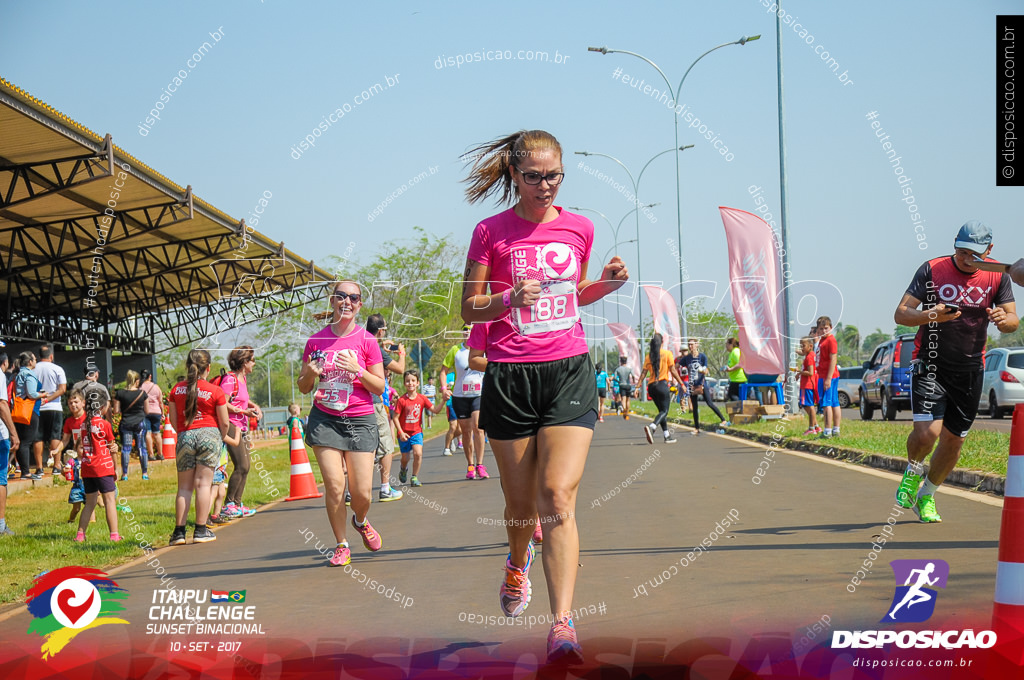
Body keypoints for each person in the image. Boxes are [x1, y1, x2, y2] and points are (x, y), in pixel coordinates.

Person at [460, 129, 628, 664]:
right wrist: (507, 298)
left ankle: (562, 624)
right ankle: (516, 561)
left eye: (553, 175)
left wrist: (604, 284)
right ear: (514, 175)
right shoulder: (490, 231)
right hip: (510, 376)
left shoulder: (580, 228)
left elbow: (571, 296)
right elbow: (470, 310)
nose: (545, 185)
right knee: (519, 503)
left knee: (557, 497)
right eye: (533, 176)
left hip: (569, 370)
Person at [893, 220, 1018, 523]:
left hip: (971, 367)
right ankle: (912, 471)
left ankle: (927, 495)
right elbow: (901, 313)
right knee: (927, 433)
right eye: (962, 252)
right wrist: (930, 314)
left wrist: (1004, 320)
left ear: (989, 250)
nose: (967, 259)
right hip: (931, 363)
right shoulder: (932, 269)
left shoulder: (996, 276)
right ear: (954, 245)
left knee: (954, 440)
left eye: (974, 254)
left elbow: (1013, 318)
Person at [298, 280, 388, 567]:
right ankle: (341, 544)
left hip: (360, 420)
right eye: (341, 296)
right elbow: (303, 387)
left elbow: (379, 387)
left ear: (359, 304)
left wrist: (357, 370)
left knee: (362, 492)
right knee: (335, 486)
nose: (346, 301)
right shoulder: (316, 341)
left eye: (353, 297)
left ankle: (360, 521)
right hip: (325, 419)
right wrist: (310, 374)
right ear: (332, 301)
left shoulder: (367, 340)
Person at [168, 349, 233, 545]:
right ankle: (200, 530)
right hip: (209, 435)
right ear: (208, 368)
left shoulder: (176, 390)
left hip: (185, 435)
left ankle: (179, 533)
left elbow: (173, 420)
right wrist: (218, 438)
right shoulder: (216, 391)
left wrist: (184, 432)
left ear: (188, 366)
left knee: (184, 488)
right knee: (203, 484)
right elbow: (225, 423)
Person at [218, 346, 263, 519]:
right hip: (231, 425)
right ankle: (229, 504)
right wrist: (243, 412)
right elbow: (223, 402)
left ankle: (237, 503)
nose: (254, 363)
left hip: (241, 426)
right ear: (244, 362)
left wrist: (253, 405)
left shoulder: (242, 379)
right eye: (252, 360)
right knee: (241, 465)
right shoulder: (229, 380)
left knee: (246, 467)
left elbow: (241, 398)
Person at [364, 314, 405, 502]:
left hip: (357, 403)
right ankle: (385, 488)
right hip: (373, 400)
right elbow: (399, 369)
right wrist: (401, 353)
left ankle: (351, 492)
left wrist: (382, 346)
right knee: (386, 446)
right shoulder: (375, 347)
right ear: (380, 331)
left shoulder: (360, 341)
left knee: (360, 447)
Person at [441, 325, 488, 480]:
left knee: (478, 427)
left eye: (471, 328)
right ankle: (470, 465)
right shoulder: (455, 350)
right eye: (465, 329)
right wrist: (443, 388)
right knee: (466, 431)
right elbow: (443, 370)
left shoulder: (483, 349)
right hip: (460, 396)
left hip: (478, 394)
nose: (468, 331)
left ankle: (480, 464)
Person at [74, 384, 120, 543]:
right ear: (102, 406)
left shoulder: (83, 425)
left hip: (87, 468)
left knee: (90, 502)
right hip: (103, 467)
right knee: (109, 501)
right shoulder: (105, 425)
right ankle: (114, 535)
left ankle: (80, 534)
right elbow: (112, 447)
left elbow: (82, 446)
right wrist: (116, 467)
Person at [393, 370, 449, 486]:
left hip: (416, 432)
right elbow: (395, 418)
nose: (410, 383)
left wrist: (443, 401)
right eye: (407, 381)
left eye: (413, 381)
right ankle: (403, 469)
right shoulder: (402, 400)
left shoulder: (422, 398)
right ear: (404, 383)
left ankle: (414, 477)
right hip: (404, 434)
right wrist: (401, 432)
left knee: (418, 453)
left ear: (418, 383)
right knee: (405, 458)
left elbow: (435, 410)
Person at [637, 333, 684, 445]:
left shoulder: (649, 356)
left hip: (651, 387)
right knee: (664, 411)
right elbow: (673, 370)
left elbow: (644, 372)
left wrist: (637, 386)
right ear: (662, 342)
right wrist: (681, 384)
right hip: (662, 385)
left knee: (661, 411)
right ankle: (652, 427)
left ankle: (667, 435)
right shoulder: (667, 354)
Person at [680, 339, 729, 435]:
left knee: (709, 403)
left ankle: (723, 420)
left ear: (697, 345)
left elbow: (706, 370)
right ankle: (696, 428)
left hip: (702, 384)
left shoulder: (702, 357)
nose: (690, 347)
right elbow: (677, 364)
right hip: (692, 385)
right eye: (689, 345)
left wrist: (702, 370)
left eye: (692, 344)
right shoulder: (687, 358)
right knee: (694, 407)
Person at [13, 352, 47, 480]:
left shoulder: (17, 374)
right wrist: (43, 395)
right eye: (34, 358)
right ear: (30, 362)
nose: (36, 360)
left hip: (20, 410)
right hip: (30, 411)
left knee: (22, 441)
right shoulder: (28, 374)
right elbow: (32, 393)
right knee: (26, 442)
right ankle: (26, 472)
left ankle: (23, 470)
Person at [35, 344, 67, 475]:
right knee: (55, 435)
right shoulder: (58, 369)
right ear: (51, 356)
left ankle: (39, 467)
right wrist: (48, 399)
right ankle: (56, 465)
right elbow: (62, 389)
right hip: (54, 407)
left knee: (38, 437)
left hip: (37, 407)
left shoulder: (33, 369)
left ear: (38, 356)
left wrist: (40, 399)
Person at [113, 370, 149, 480]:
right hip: (140, 423)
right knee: (141, 447)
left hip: (126, 423)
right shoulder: (142, 394)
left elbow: (116, 411)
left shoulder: (119, 393)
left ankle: (124, 474)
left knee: (126, 448)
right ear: (137, 381)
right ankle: (144, 473)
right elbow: (147, 411)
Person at [59, 390, 89, 523]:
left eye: (76, 402)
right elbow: (65, 440)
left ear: (83, 403)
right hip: (78, 453)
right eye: (70, 403)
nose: (73, 405)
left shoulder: (89, 419)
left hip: (90, 453)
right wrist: (56, 450)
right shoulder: (69, 421)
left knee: (92, 488)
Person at [815, 317, 841, 438]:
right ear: (818, 330)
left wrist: (828, 378)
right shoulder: (822, 341)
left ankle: (828, 430)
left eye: (826, 328)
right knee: (834, 402)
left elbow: (833, 359)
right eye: (821, 328)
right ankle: (835, 430)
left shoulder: (831, 340)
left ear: (831, 328)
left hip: (828, 376)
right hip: (824, 375)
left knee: (827, 403)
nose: (824, 330)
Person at [0, 353, 18, 536]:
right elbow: (2, 405)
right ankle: (0, 525)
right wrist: (13, 433)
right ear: (5, 363)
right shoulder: (0, 375)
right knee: (0, 479)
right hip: (0, 435)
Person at [793, 337, 820, 435]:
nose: (802, 348)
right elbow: (801, 353)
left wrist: (798, 372)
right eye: (801, 346)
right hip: (808, 384)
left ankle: (811, 428)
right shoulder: (810, 354)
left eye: (803, 346)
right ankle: (816, 426)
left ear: (810, 346)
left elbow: (810, 372)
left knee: (809, 406)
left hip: (807, 385)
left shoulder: (809, 357)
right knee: (806, 405)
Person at [140, 369, 164, 463]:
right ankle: (160, 454)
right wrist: (162, 412)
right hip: (156, 412)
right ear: (150, 376)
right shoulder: (156, 387)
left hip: (145, 412)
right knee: (157, 433)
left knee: (148, 433)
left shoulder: (140, 387)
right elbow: (160, 401)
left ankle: (151, 455)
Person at [442, 371, 459, 456]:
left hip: (462, 403)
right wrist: (447, 387)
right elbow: (441, 389)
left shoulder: (466, 372)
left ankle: (451, 438)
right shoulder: (449, 376)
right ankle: (447, 448)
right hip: (451, 403)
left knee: (460, 430)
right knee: (453, 426)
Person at [724, 338, 747, 402]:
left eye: (727, 344)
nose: (726, 346)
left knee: (732, 395)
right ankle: (739, 407)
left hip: (739, 379)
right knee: (733, 396)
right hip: (734, 379)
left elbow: (740, 363)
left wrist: (730, 369)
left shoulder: (735, 352)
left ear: (731, 344)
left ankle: (739, 408)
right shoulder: (732, 353)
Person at [613, 356, 634, 420]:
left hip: (621, 385)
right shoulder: (629, 369)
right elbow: (633, 376)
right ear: (626, 361)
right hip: (628, 385)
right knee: (628, 399)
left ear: (621, 361)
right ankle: (627, 412)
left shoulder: (618, 369)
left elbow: (615, 377)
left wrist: (618, 381)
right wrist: (633, 381)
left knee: (623, 399)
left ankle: (624, 409)